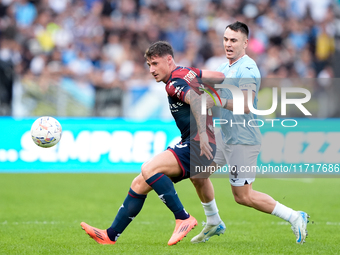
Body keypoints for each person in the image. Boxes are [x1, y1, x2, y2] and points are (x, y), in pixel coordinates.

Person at [81, 41, 226, 246]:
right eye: (149, 65)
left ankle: (183, 217)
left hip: (198, 143)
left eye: (155, 64)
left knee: (149, 169)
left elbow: (196, 100)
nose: (151, 70)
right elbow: (220, 77)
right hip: (198, 141)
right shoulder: (188, 71)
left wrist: (202, 134)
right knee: (139, 183)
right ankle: (110, 236)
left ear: (169, 60)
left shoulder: (173, 84)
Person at [191, 21, 310, 244]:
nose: (228, 44)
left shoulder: (248, 69)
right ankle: (214, 221)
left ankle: (295, 216)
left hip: (242, 140)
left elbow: (246, 105)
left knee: (243, 197)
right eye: (225, 39)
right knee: (197, 173)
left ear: (245, 43)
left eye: (233, 40)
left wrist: (214, 99)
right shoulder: (226, 67)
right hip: (224, 136)